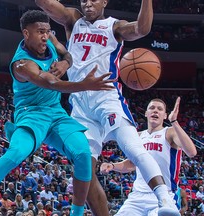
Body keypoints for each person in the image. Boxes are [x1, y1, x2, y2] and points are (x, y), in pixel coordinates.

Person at [0, 9, 114, 216]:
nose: (45, 36)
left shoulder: (49, 40)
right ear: (26, 33)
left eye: (47, 31)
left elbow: (66, 53)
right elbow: (50, 82)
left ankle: (76, 214)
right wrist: (84, 84)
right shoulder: (22, 65)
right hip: (31, 113)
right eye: (40, 31)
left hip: (56, 113)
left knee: (83, 154)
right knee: (16, 153)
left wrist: (65, 63)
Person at [35, 0, 184, 215]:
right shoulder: (73, 19)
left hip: (106, 98)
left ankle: (164, 198)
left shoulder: (115, 26)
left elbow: (142, 29)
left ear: (104, 1)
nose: (88, 3)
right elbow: (45, 4)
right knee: (84, 167)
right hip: (80, 103)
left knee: (133, 149)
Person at [100, 97, 197, 215]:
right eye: (152, 108)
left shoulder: (169, 132)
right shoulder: (138, 136)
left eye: (159, 109)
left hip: (164, 196)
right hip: (137, 197)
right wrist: (112, 165)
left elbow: (192, 152)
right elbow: (131, 164)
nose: (155, 111)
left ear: (165, 115)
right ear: (146, 113)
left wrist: (174, 122)